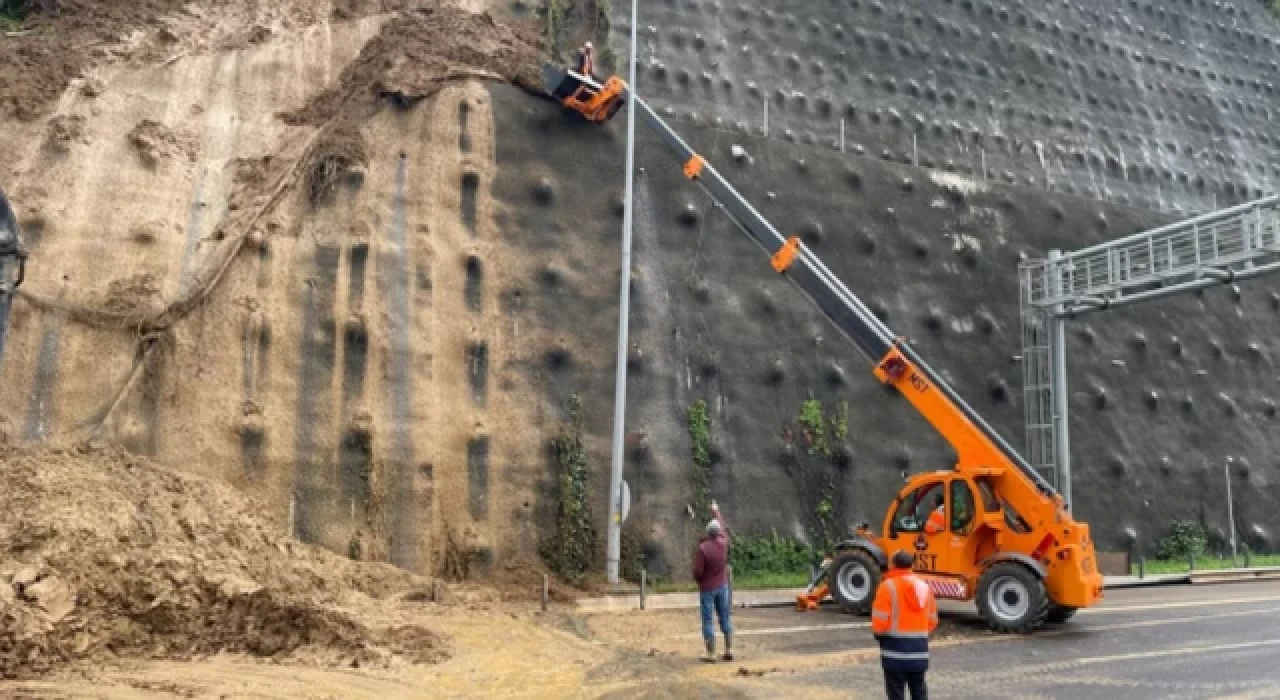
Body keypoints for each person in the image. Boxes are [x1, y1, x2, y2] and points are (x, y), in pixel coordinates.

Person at [872, 550, 939, 700]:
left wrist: (879, 636)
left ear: (893, 564)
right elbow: (933, 620)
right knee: (919, 691)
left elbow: (879, 623)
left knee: (896, 693)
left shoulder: (887, 587)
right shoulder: (924, 587)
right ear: (911, 565)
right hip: (919, 652)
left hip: (894, 653)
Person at [692, 500, 733, 662]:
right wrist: (716, 510)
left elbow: (697, 572)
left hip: (707, 588)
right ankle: (729, 649)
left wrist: (699, 581)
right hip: (722, 586)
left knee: (708, 620)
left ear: (708, 533)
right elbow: (722, 525)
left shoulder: (703, 549)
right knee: (724, 616)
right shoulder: (723, 543)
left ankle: (711, 653)